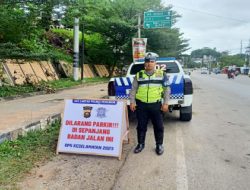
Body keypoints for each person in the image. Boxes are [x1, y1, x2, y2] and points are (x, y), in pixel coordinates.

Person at [129, 53, 170, 155]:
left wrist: (166, 103)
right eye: (147, 61)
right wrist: (132, 102)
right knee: (141, 126)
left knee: (159, 126)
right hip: (141, 105)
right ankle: (140, 144)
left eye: (151, 61)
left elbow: (167, 89)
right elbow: (133, 89)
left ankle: (159, 145)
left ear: (155, 63)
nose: (149, 64)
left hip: (156, 105)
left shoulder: (161, 74)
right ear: (144, 63)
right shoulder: (139, 75)